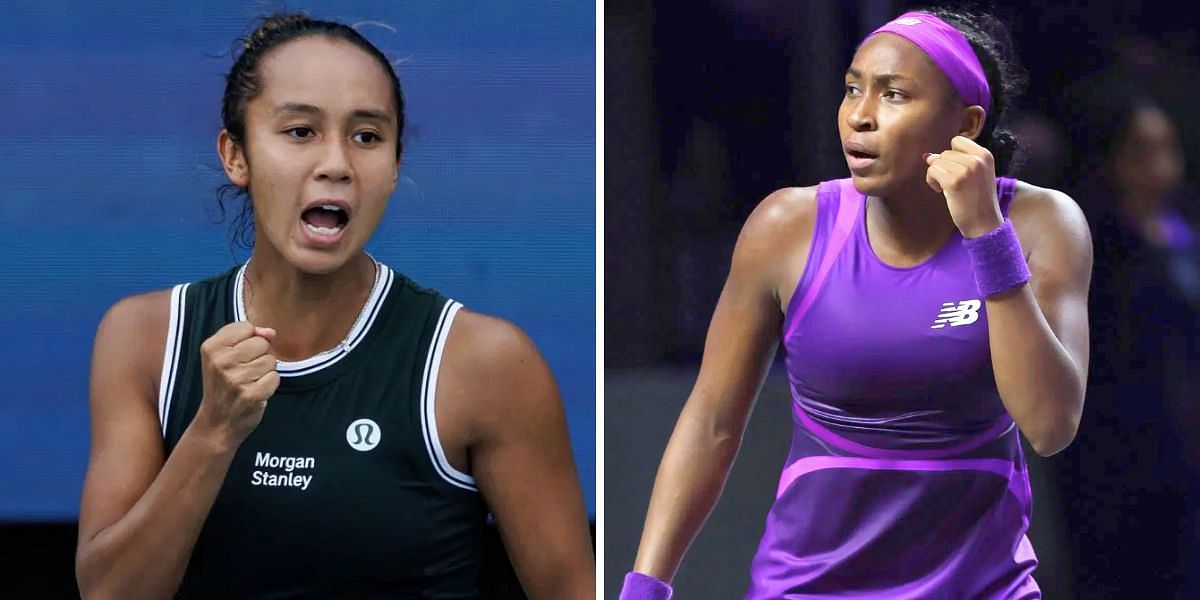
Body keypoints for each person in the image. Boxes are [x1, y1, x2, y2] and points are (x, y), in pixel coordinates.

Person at [74, 13, 594, 599]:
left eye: (367, 136)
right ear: (236, 155)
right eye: (300, 131)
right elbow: (109, 593)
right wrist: (213, 432)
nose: (337, 164)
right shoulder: (143, 338)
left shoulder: (486, 364)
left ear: (396, 166)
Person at [621, 8, 1091, 599]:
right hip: (809, 586)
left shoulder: (1042, 224)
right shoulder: (784, 227)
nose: (859, 117)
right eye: (852, 89)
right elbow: (711, 421)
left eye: (894, 94)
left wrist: (985, 237)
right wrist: (646, 585)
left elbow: (1050, 425)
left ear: (965, 124)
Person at [1057, 88, 1200, 596]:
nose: (1160, 162)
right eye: (1142, 149)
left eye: (1166, 146)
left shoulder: (1184, 229)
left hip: (1183, 441)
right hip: (1115, 450)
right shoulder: (1094, 242)